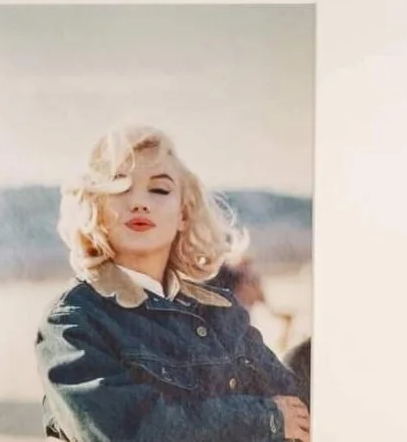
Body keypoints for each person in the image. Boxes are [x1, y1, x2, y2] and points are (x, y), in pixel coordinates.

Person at [36, 126, 311, 442]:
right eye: (121, 188)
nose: (139, 202)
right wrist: (266, 419)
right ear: (96, 209)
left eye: (160, 190)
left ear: (184, 213)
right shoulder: (74, 319)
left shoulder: (220, 309)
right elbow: (129, 431)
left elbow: (295, 408)